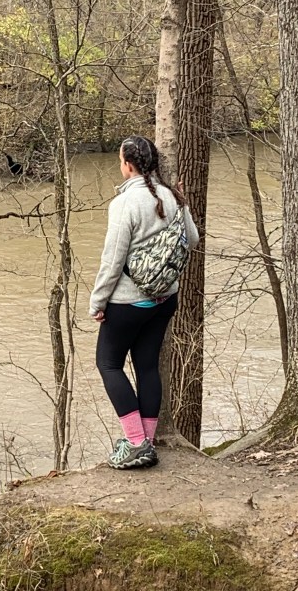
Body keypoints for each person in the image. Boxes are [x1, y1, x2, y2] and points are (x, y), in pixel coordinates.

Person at [89, 135, 199, 470]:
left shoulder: (125, 203)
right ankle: (147, 441)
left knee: (108, 364)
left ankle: (136, 443)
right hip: (165, 298)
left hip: (127, 303)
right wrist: (184, 205)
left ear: (129, 164)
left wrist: (98, 301)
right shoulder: (171, 196)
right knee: (147, 365)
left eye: (120, 159)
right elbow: (192, 239)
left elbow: (113, 259)